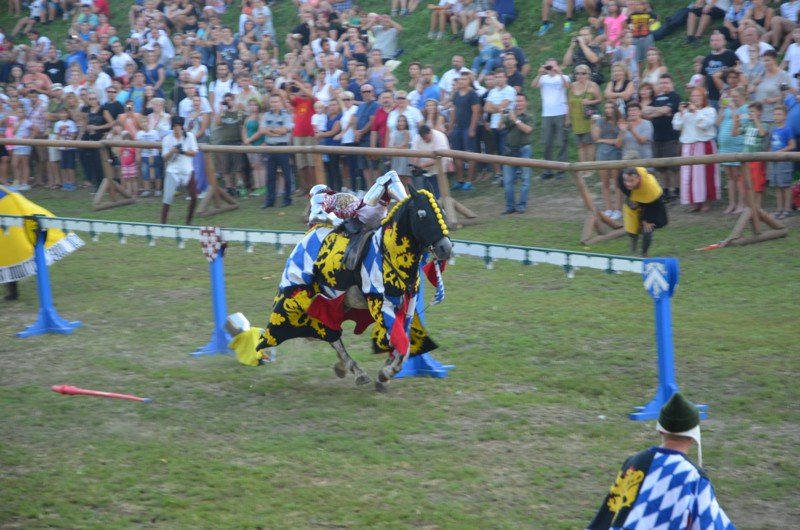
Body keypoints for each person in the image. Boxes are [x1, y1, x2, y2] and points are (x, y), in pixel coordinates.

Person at [587, 393, 735, 529]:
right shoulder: (693, 476)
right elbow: (711, 524)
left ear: (660, 430)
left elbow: (607, 513)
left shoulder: (633, 462)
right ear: (694, 435)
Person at [673, 87, 719, 212]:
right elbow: (676, 126)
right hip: (688, 146)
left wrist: (696, 112)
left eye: (698, 96)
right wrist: (681, 113)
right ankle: (693, 202)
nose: (695, 98)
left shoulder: (709, 111)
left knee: (704, 175)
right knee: (688, 176)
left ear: (704, 98)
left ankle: (706, 201)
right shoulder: (685, 112)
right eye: (693, 96)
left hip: (703, 145)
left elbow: (704, 125)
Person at [645, 74, 682, 202]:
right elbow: (645, 111)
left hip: (671, 137)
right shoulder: (656, 98)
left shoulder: (674, 96)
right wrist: (661, 111)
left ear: (671, 84)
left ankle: (677, 190)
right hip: (657, 137)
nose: (663, 85)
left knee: (674, 167)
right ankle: (665, 191)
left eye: (666, 82)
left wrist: (655, 111)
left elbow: (666, 110)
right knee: (661, 168)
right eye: (661, 83)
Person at [616, 167, 668, 256]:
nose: (628, 184)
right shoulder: (621, 179)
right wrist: (630, 199)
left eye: (631, 181)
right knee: (631, 229)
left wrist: (646, 219)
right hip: (635, 200)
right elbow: (626, 190)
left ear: (639, 178)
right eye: (626, 181)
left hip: (653, 205)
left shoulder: (651, 188)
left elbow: (654, 205)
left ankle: (644, 253)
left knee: (647, 229)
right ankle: (633, 243)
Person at [532, 58, 570, 179]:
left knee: (562, 142)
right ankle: (548, 170)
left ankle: (562, 170)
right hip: (547, 114)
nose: (550, 68)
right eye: (548, 66)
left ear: (557, 66)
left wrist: (560, 73)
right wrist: (539, 74)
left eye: (552, 66)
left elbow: (567, 86)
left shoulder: (563, 77)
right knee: (547, 142)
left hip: (561, 112)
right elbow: (533, 85)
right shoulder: (543, 78)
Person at [161, 116, 198, 225]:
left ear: (182, 127)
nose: (177, 129)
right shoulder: (167, 139)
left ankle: (189, 221)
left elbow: (194, 152)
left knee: (194, 197)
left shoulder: (189, 136)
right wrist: (172, 151)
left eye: (178, 126)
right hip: (173, 170)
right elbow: (165, 158)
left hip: (187, 169)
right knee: (167, 198)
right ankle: (163, 224)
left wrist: (182, 151)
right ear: (172, 127)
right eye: (175, 127)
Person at [501, 93, 533, 214]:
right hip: (510, 150)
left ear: (526, 103)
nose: (518, 103)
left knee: (525, 179)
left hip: (524, 149)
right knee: (508, 181)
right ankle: (510, 206)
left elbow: (528, 130)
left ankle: (521, 205)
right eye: (517, 101)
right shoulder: (511, 115)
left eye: (521, 101)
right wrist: (502, 115)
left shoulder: (529, 116)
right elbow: (500, 127)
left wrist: (515, 120)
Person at [448, 71, 481, 190]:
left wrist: (472, 129)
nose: (462, 81)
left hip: (468, 127)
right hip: (458, 127)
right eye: (460, 79)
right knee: (456, 153)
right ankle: (460, 179)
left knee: (470, 153)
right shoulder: (457, 94)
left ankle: (469, 180)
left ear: (469, 81)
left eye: (464, 79)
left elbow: (476, 112)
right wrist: (451, 127)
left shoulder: (472, 94)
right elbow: (454, 111)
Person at [260, 94, 294, 209]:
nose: (275, 104)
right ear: (270, 103)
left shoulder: (286, 115)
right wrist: (277, 132)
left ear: (281, 103)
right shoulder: (266, 115)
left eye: (277, 101)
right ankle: (270, 201)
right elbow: (262, 130)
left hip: (282, 148)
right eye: (272, 102)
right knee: (270, 176)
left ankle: (287, 199)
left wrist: (270, 131)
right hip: (270, 148)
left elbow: (284, 130)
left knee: (287, 175)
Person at [733, 101, 769, 209]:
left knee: (757, 186)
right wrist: (736, 122)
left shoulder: (764, 124)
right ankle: (750, 208)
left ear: (760, 112)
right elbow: (734, 133)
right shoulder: (747, 125)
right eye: (749, 112)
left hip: (757, 160)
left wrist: (756, 120)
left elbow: (762, 133)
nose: (750, 113)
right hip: (746, 160)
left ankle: (758, 209)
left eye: (753, 111)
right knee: (747, 185)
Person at [592, 101, 624, 218]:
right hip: (602, 154)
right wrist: (593, 124)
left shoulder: (620, 121)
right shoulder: (601, 121)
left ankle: (618, 209)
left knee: (617, 183)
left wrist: (603, 140)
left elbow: (618, 142)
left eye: (610, 107)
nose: (608, 110)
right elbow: (595, 138)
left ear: (615, 108)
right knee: (605, 182)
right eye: (606, 108)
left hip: (616, 154)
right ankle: (608, 209)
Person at [568, 64, 602, 167]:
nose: (580, 76)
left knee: (589, 143)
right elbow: (569, 103)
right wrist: (568, 118)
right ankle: (582, 167)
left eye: (583, 73)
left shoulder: (593, 85)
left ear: (588, 74)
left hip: (588, 119)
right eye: (578, 73)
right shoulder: (572, 86)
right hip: (576, 119)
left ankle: (590, 167)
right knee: (580, 145)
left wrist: (589, 102)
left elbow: (600, 99)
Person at [766, 105, 796, 218]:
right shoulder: (773, 129)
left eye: (779, 114)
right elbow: (771, 144)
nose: (776, 116)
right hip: (774, 161)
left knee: (785, 186)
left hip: (784, 161)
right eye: (775, 114)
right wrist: (770, 154)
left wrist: (780, 152)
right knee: (777, 186)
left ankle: (787, 210)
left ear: (785, 116)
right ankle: (779, 209)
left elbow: (792, 145)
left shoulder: (787, 129)